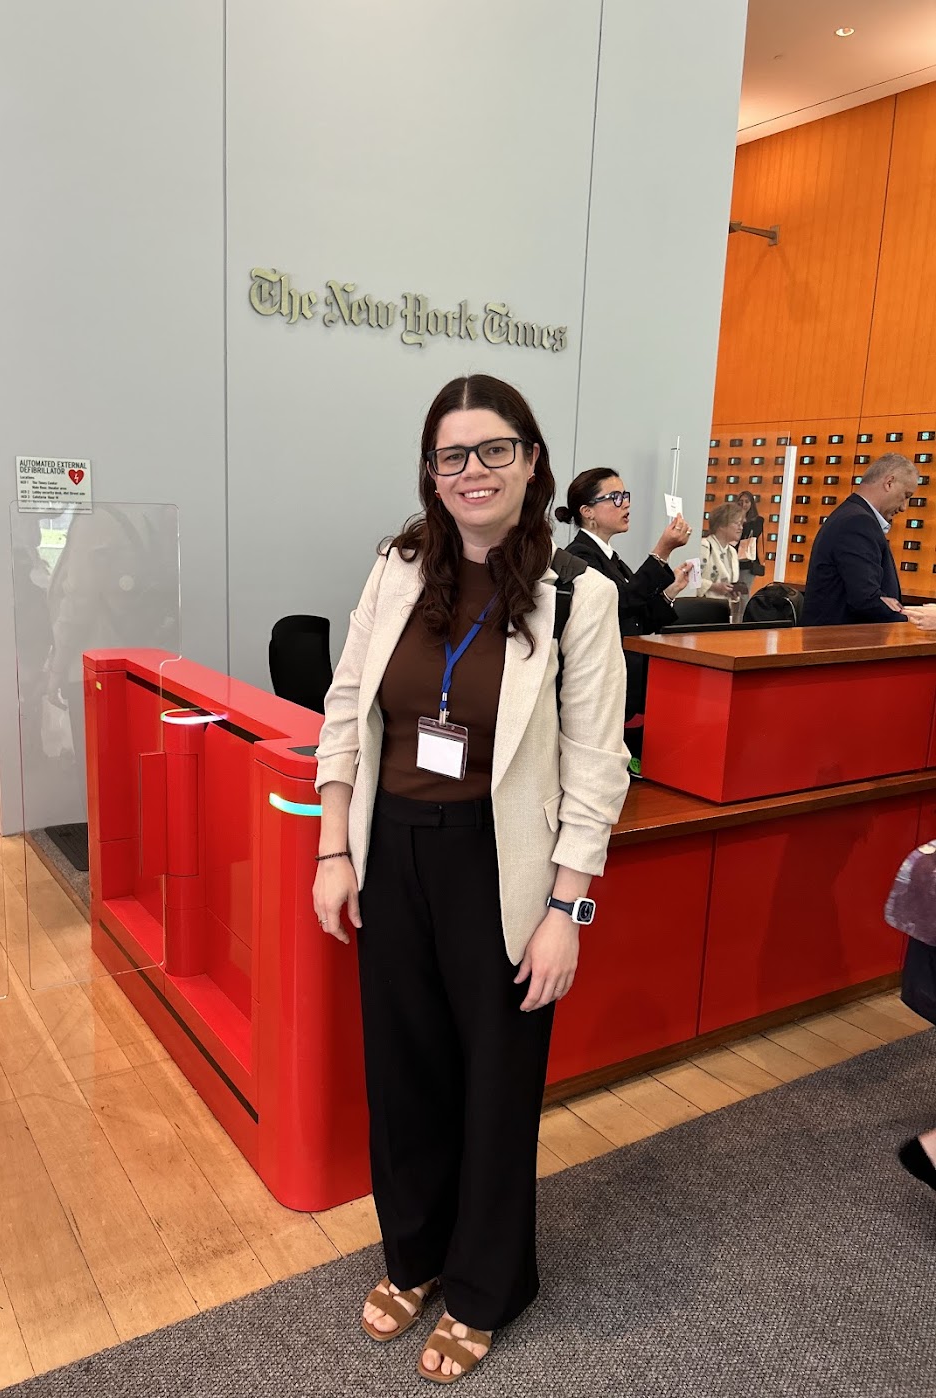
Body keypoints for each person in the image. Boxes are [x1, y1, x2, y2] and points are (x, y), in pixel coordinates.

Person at [312, 374, 629, 1385]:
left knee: (494, 1086)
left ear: (531, 462)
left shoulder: (577, 593)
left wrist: (566, 908)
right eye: (450, 455)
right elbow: (346, 704)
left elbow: (593, 765)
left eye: (492, 450)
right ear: (430, 472)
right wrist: (331, 846)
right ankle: (412, 1257)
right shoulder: (397, 568)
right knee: (402, 1075)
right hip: (390, 847)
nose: (471, 472)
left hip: (503, 866)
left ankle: (486, 1287)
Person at [556, 468, 692, 760]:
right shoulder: (580, 557)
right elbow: (615, 604)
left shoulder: (611, 558)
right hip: (598, 683)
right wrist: (661, 552)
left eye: (625, 495)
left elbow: (638, 616)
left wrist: (670, 591)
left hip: (625, 677)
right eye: (615, 497)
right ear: (587, 511)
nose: (626, 503)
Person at [801, 454, 918, 626]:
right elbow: (866, 599)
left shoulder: (851, 514)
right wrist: (914, 618)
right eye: (906, 495)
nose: (904, 507)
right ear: (889, 483)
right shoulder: (857, 522)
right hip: (838, 645)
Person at [697, 502, 744, 602]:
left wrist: (733, 593)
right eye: (737, 523)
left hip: (723, 610)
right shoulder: (704, 547)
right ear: (722, 525)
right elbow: (689, 581)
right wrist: (713, 587)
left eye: (741, 524)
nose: (741, 528)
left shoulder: (732, 552)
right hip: (704, 608)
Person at [734, 490, 765, 598]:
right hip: (733, 560)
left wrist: (743, 519)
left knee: (743, 594)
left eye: (747, 501)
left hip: (748, 562)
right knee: (733, 594)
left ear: (751, 504)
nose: (743, 504)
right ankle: (734, 615)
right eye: (740, 502)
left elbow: (752, 534)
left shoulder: (758, 520)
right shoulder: (732, 519)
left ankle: (742, 615)